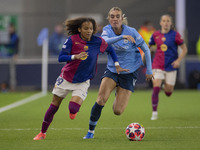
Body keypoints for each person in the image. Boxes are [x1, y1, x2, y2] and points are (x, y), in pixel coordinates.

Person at [33, 17, 128, 140]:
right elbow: (61, 57)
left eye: (91, 29)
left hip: (82, 81)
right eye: (86, 28)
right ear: (79, 29)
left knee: (73, 109)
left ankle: (72, 111)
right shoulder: (72, 40)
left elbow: (110, 49)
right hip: (66, 77)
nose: (89, 31)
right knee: (54, 105)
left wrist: (116, 64)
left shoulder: (98, 41)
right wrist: (75, 57)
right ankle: (42, 133)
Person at [83, 7, 154, 139]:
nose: (114, 19)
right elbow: (104, 42)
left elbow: (147, 50)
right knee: (101, 99)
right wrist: (121, 37)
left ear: (122, 19)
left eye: (117, 16)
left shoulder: (132, 32)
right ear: (109, 19)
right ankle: (90, 132)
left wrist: (149, 70)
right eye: (112, 16)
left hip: (129, 73)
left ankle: (118, 91)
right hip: (113, 70)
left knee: (118, 111)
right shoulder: (107, 30)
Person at [149, 14, 188, 120]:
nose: (166, 23)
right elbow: (148, 46)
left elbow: (184, 49)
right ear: (160, 23)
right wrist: (144, 55)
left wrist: (178, 60)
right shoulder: (155, 35)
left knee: (168, 92)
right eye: (164, 21)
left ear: (171, 23)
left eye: (168, 21)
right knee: (156, 86)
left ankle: (164, 87)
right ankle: (154, 113)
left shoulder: (176, 35)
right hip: (157, 65)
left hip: (171, 66)